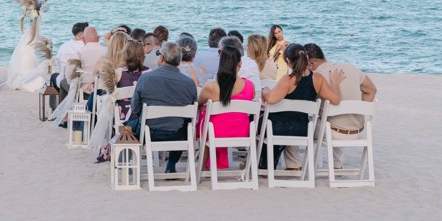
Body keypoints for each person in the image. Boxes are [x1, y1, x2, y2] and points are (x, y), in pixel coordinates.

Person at [260, 43, 345, 170]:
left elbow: (271, 98)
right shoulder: (317, 78)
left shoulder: (288, 79)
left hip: (280, 128)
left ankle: (261, 164)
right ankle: (268, 163)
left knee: (257, 121)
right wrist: (336, 83)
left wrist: (265, 90)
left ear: (288, 61)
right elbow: (336, 99)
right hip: (303, 129)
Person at [124, 41, 198, 173]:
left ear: (162, 58)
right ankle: (171, 165)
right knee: (184, 125)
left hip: (148, 132)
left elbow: (135, 108)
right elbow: (191, 113)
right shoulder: (189, 83)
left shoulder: (146, 78)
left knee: (125, 128)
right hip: (177, 134)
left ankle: (129, 164)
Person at [306, 43, 377, 168]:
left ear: (310, 64)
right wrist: (361, 111)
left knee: (306, 123)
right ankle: (337, 164)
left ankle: (300, 165)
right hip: (359, 130)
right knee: (336, 118)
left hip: (332, 132)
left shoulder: (316, 76)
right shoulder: (350, 68)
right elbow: (372, 90)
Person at [197, 40, 255, 168]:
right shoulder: (250, 86)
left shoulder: (211, 87)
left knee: (204, 118)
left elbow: (198, 103)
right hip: (242, 131)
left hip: (216, 132)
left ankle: (202, 164)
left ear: (221, 63)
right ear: (240, 64)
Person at [50, 22, 88, 103]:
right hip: (86, 82)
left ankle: (55, 108)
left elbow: (59, 67)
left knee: (53, 77)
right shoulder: (88, 47)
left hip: (68, 81)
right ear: (81, 35)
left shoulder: (64, 46)